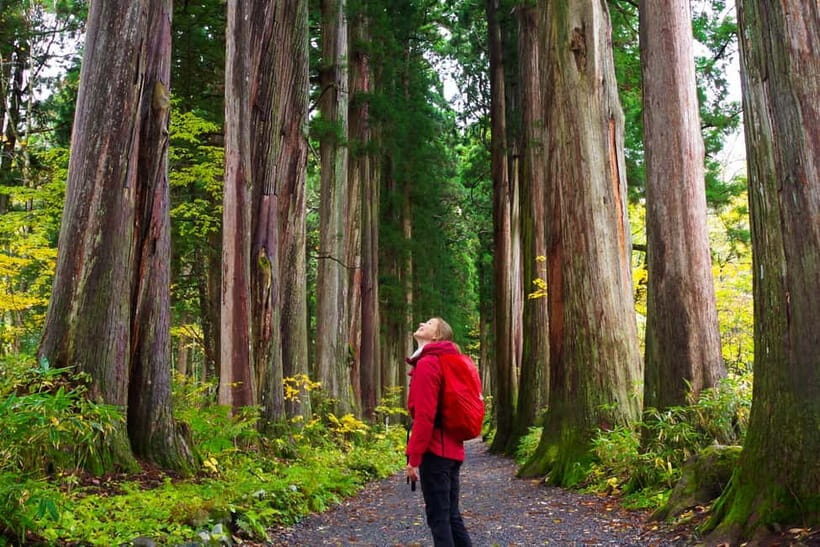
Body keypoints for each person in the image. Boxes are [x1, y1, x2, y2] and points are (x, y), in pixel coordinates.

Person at [405, 317, 473, 547]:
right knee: (451, 516)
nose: (422, 323)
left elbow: (425, 417)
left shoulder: (428, 363)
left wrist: (413, 459)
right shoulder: (443, 361)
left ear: (436, 336)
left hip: (436, 452)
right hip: (452, 451)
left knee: (439, 519)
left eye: (430, 323)